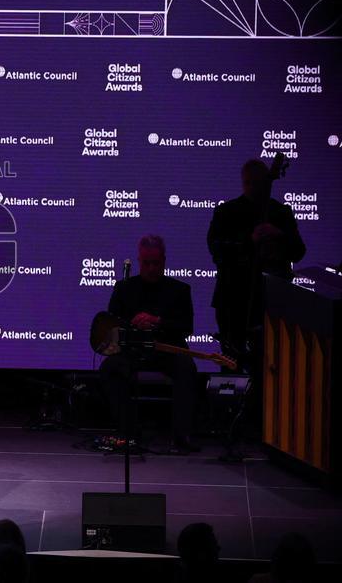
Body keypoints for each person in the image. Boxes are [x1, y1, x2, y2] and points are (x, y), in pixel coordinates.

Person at [98, 235, 198, 452]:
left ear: (164, 261)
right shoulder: (124, 287)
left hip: (167, 351)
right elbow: (111, 323)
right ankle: (128, 432)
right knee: (110, 368)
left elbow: (187, 327)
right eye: (146, 263)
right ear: (139, 261)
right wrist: (132, 324)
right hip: (133, 351)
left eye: (156, 263)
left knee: (187, 367)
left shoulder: (180, 290)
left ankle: (181, 436)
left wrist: (158, 322)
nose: (152, 268)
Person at [208, 159, 306, 373]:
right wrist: (248, 241)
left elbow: (299, 251)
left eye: (258, 183)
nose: (253, 188)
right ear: (243, 183)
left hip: (273, 300)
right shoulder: (227, 211)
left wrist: (279, 234)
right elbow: (216, 249)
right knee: (231, 363)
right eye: (248, 183)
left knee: (274, 363)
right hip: (233, 300)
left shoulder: (280, 213)